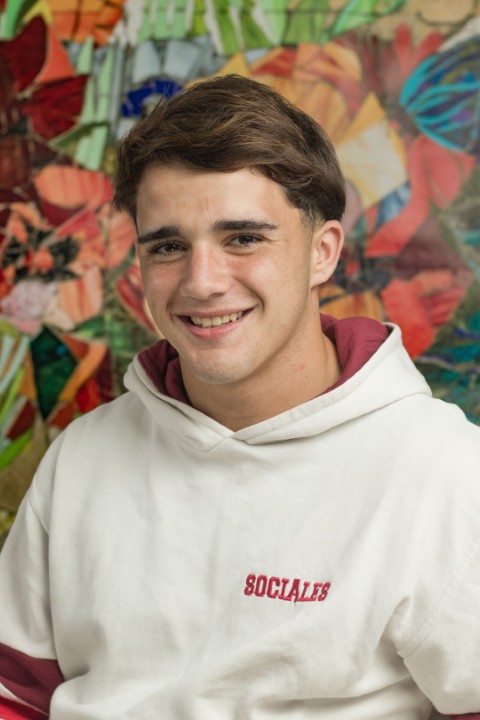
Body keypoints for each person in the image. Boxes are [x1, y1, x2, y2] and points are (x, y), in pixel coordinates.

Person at [0, 74, 479, 720]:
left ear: (322, 253)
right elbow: (14, 695)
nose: (202, 282)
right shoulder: (81, 456)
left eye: (243, 238)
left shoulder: (445, 473)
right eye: (169, 246)